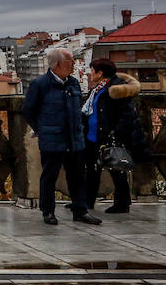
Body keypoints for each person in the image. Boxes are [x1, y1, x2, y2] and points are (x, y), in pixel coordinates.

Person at [22, 48, 100, 226]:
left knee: (78, 176)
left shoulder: (73, 82)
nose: (74, 64)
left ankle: (81, 210)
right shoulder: (40, 84)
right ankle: (48, 211)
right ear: (57, 64)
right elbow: (28, 110)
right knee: (49, 176)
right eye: (70, 61)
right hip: (52, 138)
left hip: (75, 138)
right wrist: (42, 129)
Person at [81, 58, 147, 215]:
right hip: (92, 136)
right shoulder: (98, 88)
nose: (90, 74)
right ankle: (86, 202)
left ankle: (122, 203)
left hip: (108, 136)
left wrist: (114, 133)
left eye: (92, 71)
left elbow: (126, 115)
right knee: (91, 170)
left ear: (100, 73)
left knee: (117, 169)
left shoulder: (115, 89)